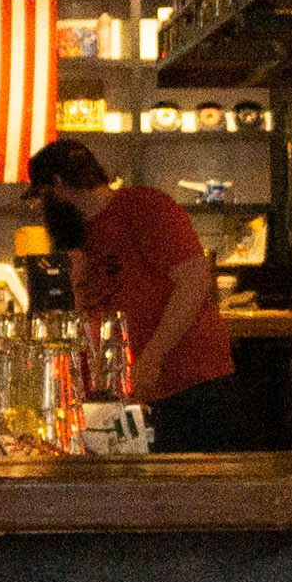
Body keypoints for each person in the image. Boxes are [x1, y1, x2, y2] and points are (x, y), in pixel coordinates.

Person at [32, 139, 236, 451]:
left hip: (186, 381)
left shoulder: (143, 205)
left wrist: (151, 359)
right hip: (131, 392)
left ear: (57, 186)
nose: (41, 210)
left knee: (188, 490)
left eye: (42, 198)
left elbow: (194, 281)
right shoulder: (82, 235)